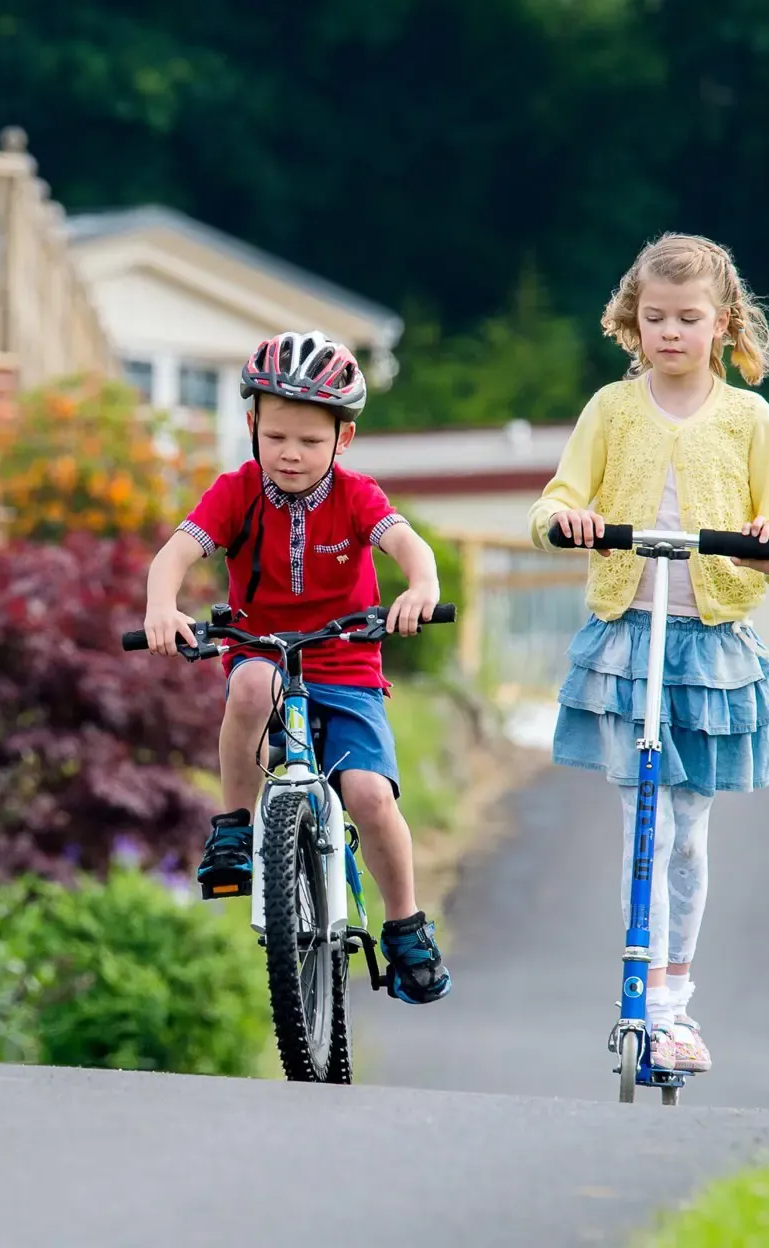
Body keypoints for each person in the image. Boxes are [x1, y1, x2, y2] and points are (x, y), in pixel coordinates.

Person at [526, 232, 769, 1072]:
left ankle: (677, 1005)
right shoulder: (611, 410)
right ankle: (640, 999)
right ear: (633, 322)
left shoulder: (747, 418)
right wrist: (567, 521)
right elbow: (554, 503)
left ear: (721, 324)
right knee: (641, 816)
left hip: (711, 647)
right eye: (655, 318)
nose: (670, 333)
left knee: (686, 831)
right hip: (629, 638)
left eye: (688, 318)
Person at [142, 330, 452, 1005]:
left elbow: (408, 545)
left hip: (345, 661)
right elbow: (174, 554)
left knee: (370, 797)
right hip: (261, 645)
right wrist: (161, 607)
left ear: (343, 441)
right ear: (251, 426)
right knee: (252, 683)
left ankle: (405, 923)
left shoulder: (357, 495)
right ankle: (233, 825)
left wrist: (420, 587)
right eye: (276, 435)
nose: (290, 453)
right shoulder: (236, 491)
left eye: (310, 442)